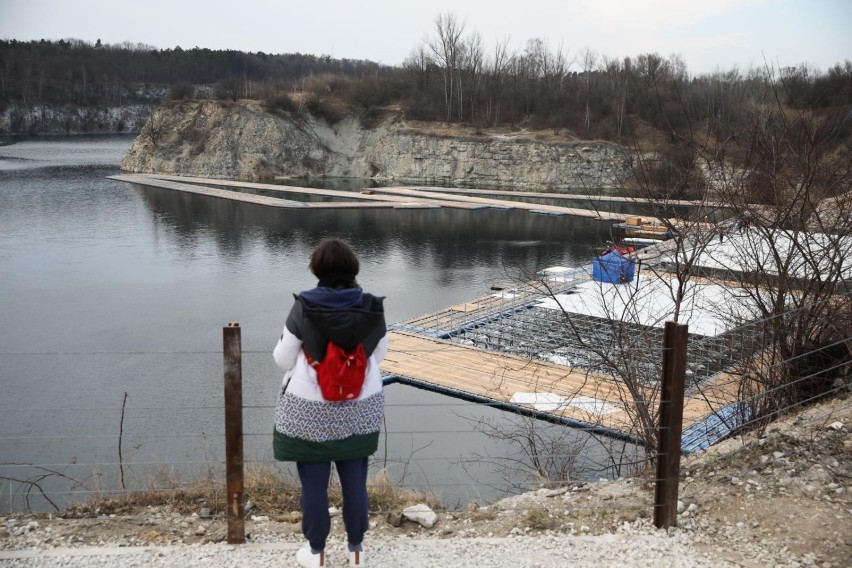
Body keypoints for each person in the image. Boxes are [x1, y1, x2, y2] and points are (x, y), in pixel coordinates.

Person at [273, 238, 388, 568]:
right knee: (355, 480)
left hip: (309, 409)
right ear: (354, 267)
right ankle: (356, 550)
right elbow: (378, 355)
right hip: (360, 407)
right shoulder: (371, 306)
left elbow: (282, 359)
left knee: (313, 483)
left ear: (317, 268)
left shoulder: (305, 306)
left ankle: (316, 552)